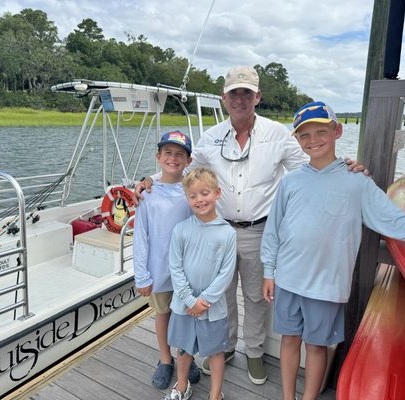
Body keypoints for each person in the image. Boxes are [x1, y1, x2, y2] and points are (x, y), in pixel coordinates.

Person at [136, 66, 367, 385]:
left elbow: (313, 164)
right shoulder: (211, 137)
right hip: (218, 230)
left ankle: (255, 352)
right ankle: (227, 345)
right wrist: (152, 179)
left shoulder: (278, 134)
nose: (240, 99)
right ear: (224, 98)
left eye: (246, 92)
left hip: (261, 230)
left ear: (257, 96)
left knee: (257, 297)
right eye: (234, 93)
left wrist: (347, 167)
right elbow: (181, 167)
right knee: (220, 293)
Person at [261, 101, 405, 400]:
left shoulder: (358, 182)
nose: (313, 139)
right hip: (287, 280)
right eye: (305, 135)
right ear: (297, 140)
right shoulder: (290, 182)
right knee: (289, 340)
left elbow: (397, 222)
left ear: (337, 131)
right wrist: (268, 271)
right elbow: (273, 231)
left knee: (316, 346)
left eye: (321, 131)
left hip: (325, 287)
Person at [133, 130, 200, 390]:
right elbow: (141, 237)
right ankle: (165, 358)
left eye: (180, 154)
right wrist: (142, 276)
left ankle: (186, 357)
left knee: (187, 317)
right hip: (159, 269)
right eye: (168, 153)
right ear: (158, 157)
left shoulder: (193, 190)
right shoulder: (148, 193)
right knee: (163, 314)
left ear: (189, 160)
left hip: (189, 271)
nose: (173, 159)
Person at [163, 167, 236, 400]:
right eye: (192, 195)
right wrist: (189, 300)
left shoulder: (227, 233)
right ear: (187, 198)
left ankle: (216, 394)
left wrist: (203, 301)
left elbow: (226, 273)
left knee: (216, 352)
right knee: (183, 348)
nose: (199, 199)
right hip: (184, 305)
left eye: (204, 193)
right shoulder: (181, 230)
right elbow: (175, 268)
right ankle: (182, 384)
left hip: (212, 308)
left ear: (217, 193)